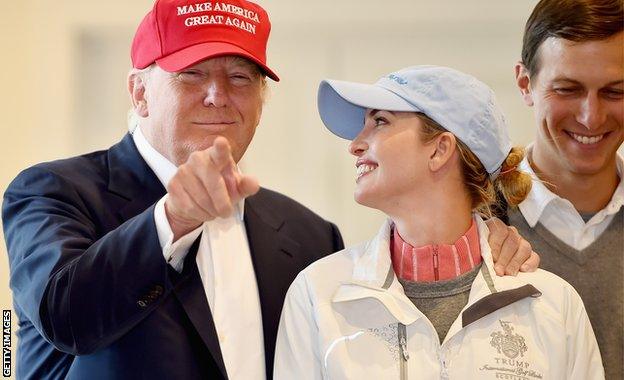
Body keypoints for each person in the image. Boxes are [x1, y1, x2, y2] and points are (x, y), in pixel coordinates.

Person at [2, 1, 536, 379]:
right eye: (192, 74)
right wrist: (174, 218)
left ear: (261, 99)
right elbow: (63, 315)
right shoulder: (52, 191)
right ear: (139, 91)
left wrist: (487, 237)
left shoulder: (307, 235)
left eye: (241, 78)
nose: (218, 95)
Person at [274, 66, 604, 379]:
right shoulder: (318, 295)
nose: (355, 145)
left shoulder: (554, 306)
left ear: (439, 150)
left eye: (380, 122)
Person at [509, 0, 623, 377]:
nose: (591, 116)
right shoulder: (471, 219)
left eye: (614, 92)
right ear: (526, 84)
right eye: (568, 90)